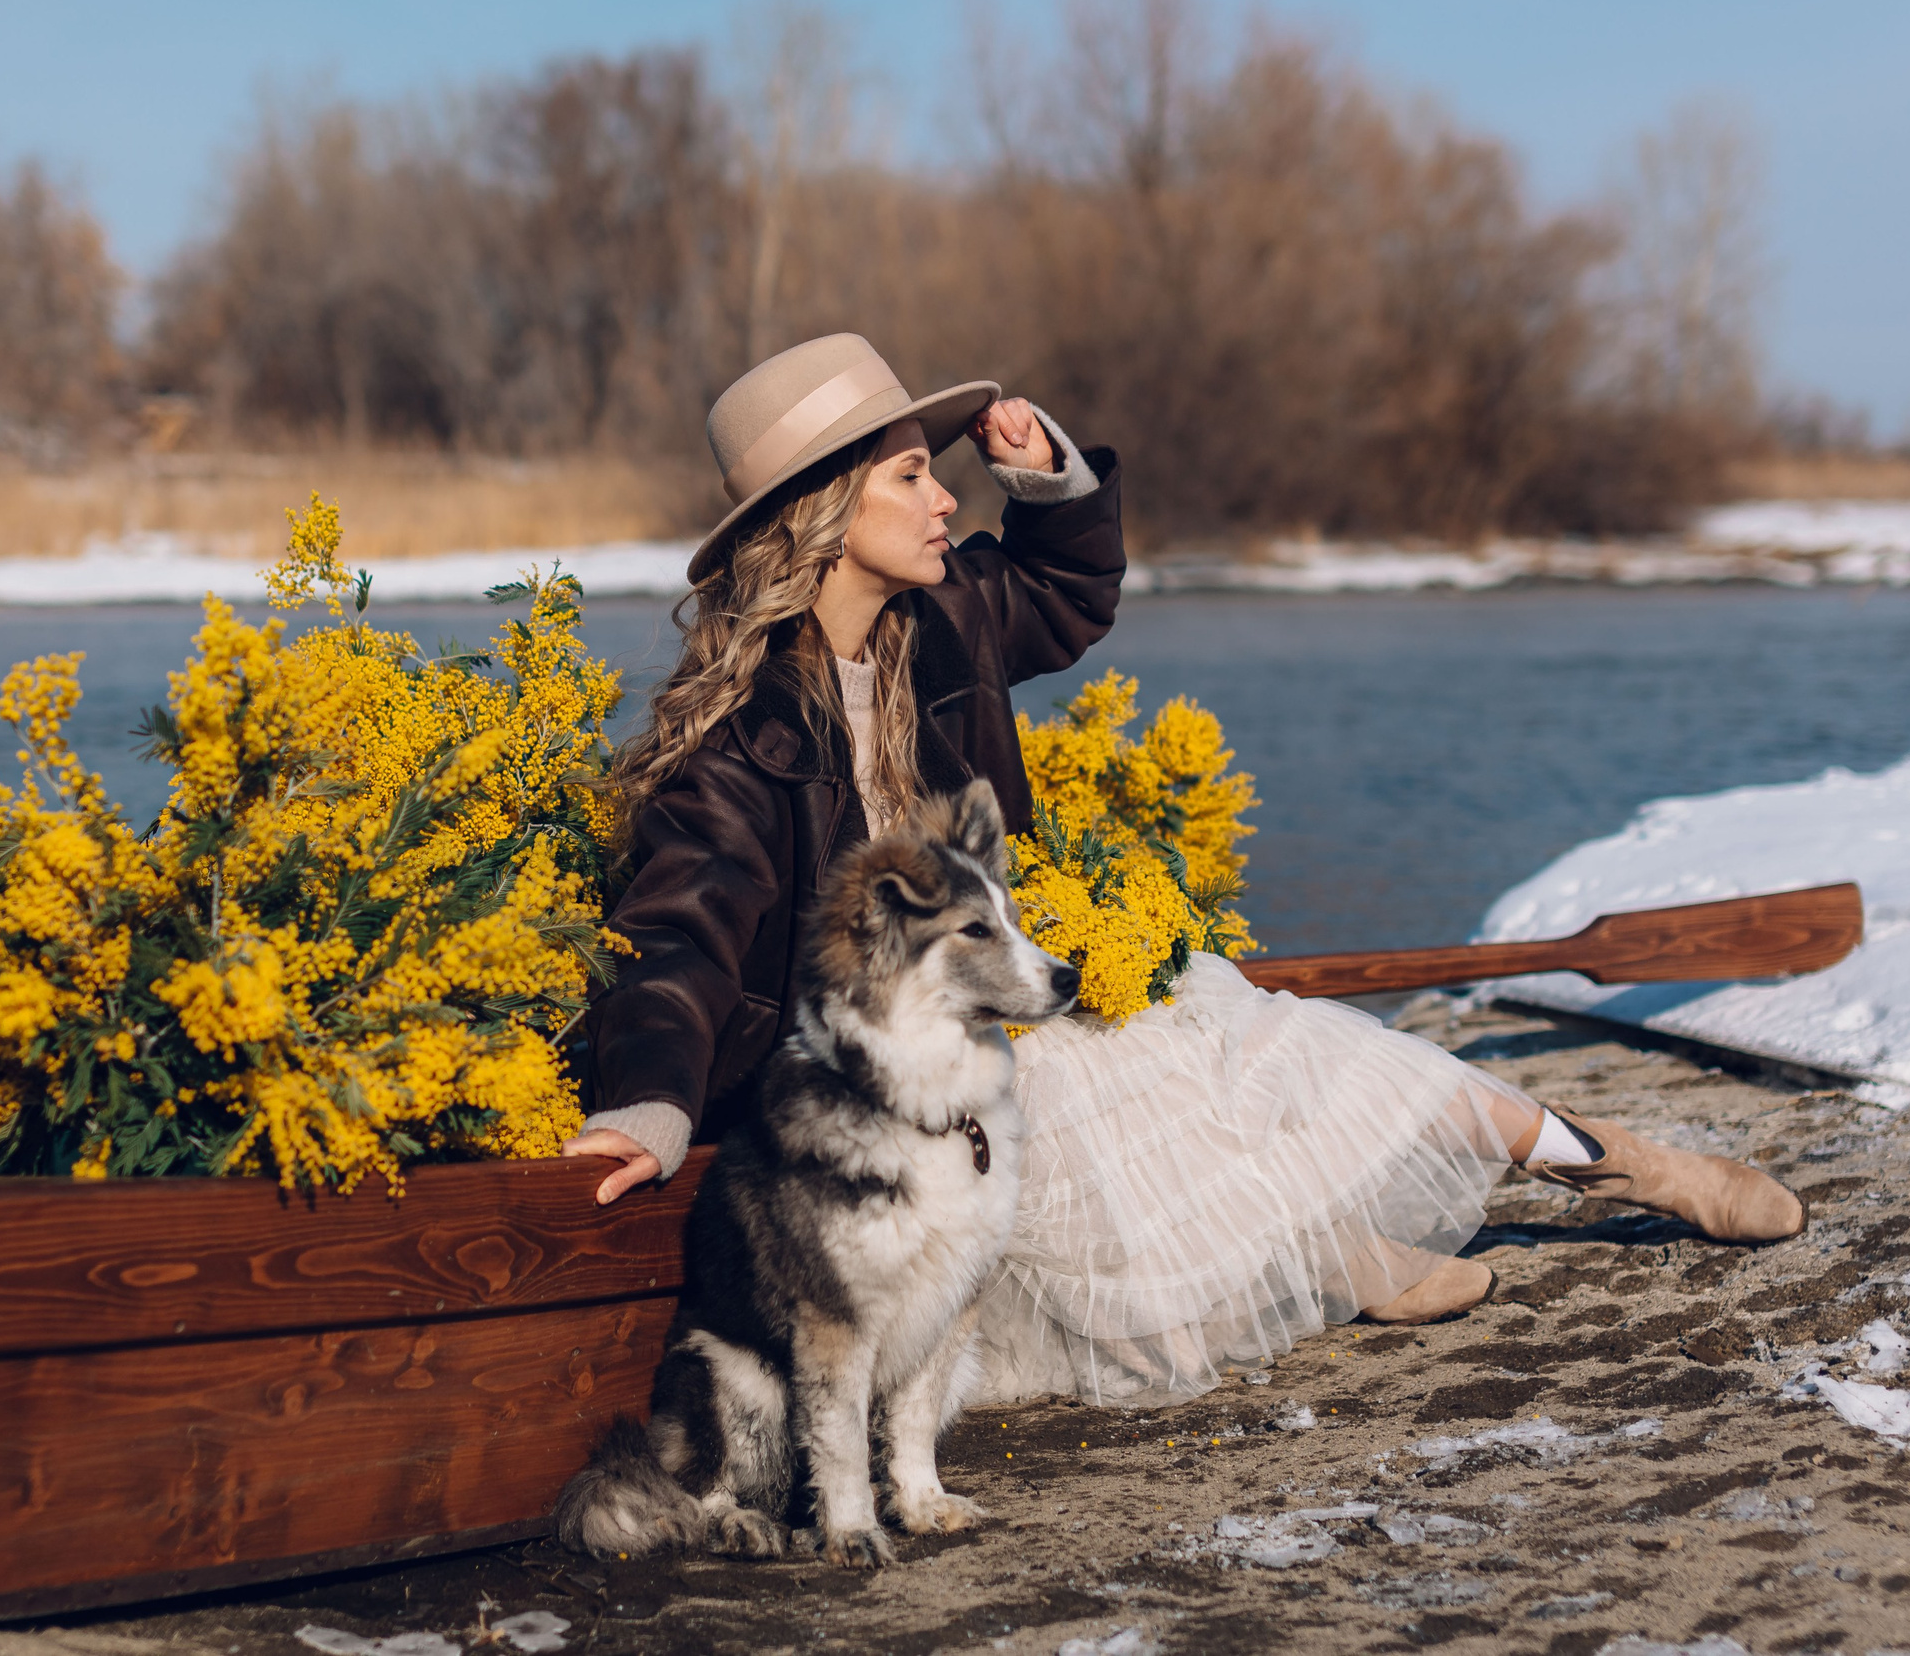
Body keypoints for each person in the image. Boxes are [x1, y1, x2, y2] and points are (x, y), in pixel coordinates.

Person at [562, 333, 1802, 1407]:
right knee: (1132, 1074)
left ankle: (1626, 1165)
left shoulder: (937, 624)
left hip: (1002, 1003)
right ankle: (1338, 1258)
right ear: (827, 511)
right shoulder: (742, 742)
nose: (946, 503)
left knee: (1235, 1023)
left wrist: (1044, 477)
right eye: (911, 478)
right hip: (880, 1083)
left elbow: (1066, 585)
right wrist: (649, 1105)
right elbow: (680, 937)